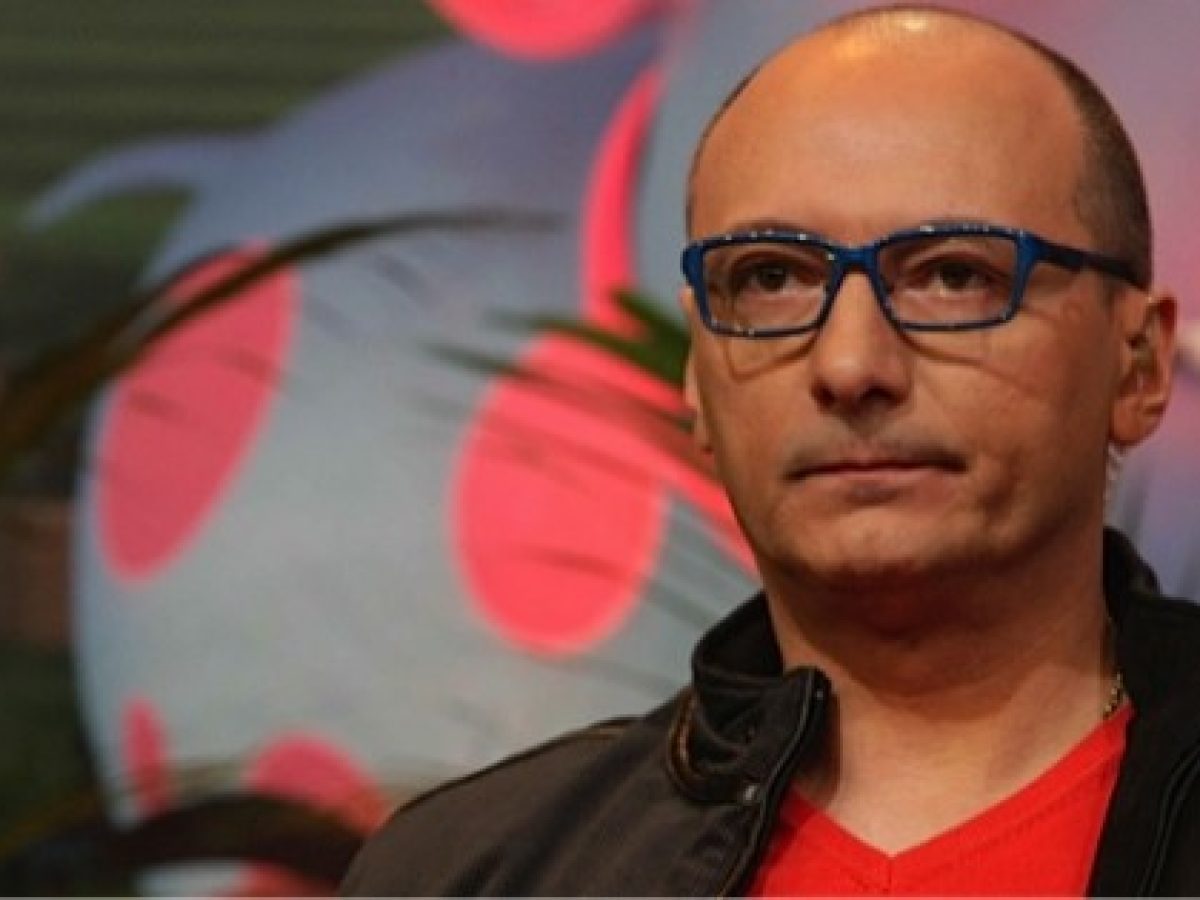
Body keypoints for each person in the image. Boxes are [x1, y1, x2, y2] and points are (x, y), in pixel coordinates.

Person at [341, 5, 1198, 895]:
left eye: (954, 276)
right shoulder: (470, 874)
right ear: (697, 379)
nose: (850, 366)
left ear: (1138, 363)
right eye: (772, 279)